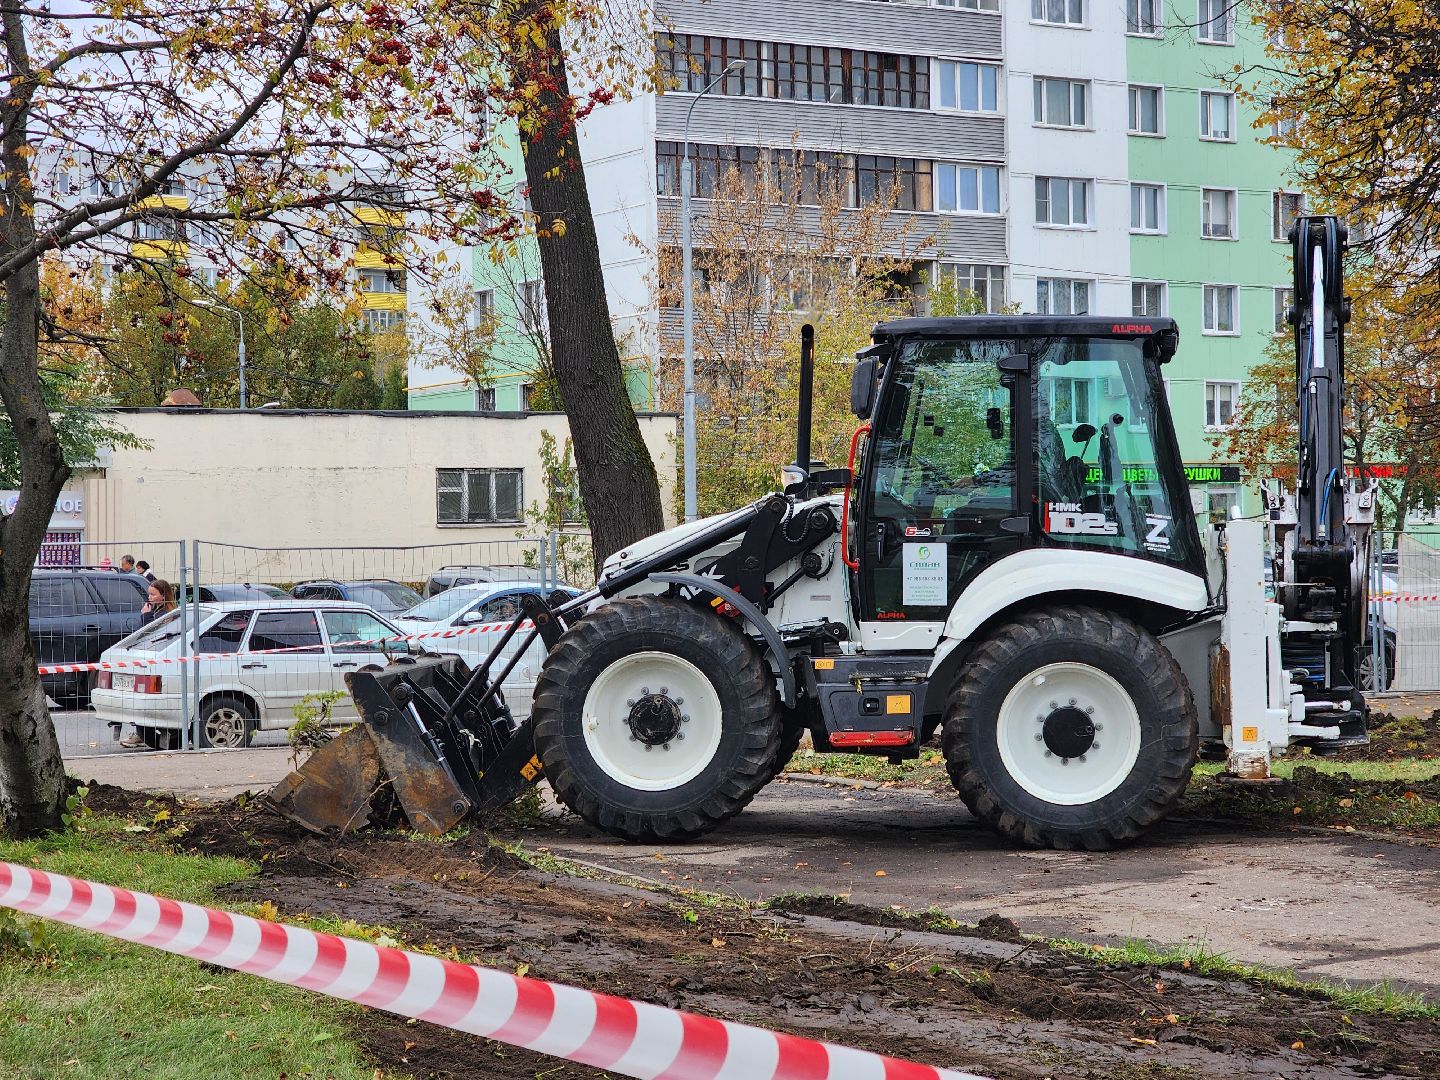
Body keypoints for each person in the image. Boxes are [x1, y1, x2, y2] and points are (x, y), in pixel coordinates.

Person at [121, 580, 179, 749]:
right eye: (149, 594)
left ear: (163, 596)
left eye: (153, 594)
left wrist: (145, 616)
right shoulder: (155, 611)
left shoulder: (167, 614)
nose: (149, 597)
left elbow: (150, 634)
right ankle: (141, 732)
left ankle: (144, 733)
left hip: (160, 661)